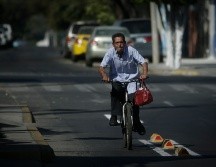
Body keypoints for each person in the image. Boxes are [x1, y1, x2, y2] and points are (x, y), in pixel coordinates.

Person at [98, 32, 149, 135]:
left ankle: (137, 122)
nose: (119, 45)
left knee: (135, 101)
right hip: (117, 80)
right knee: (115, 91)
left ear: (125, 43)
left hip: (132, 80)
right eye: (117, 43)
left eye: (121, 42)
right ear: (113, 44)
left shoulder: (131, 51)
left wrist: (144, 73)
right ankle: (114, 116)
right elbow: (101, 67)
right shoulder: (110, 52)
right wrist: (104, 75)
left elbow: (143, 62)